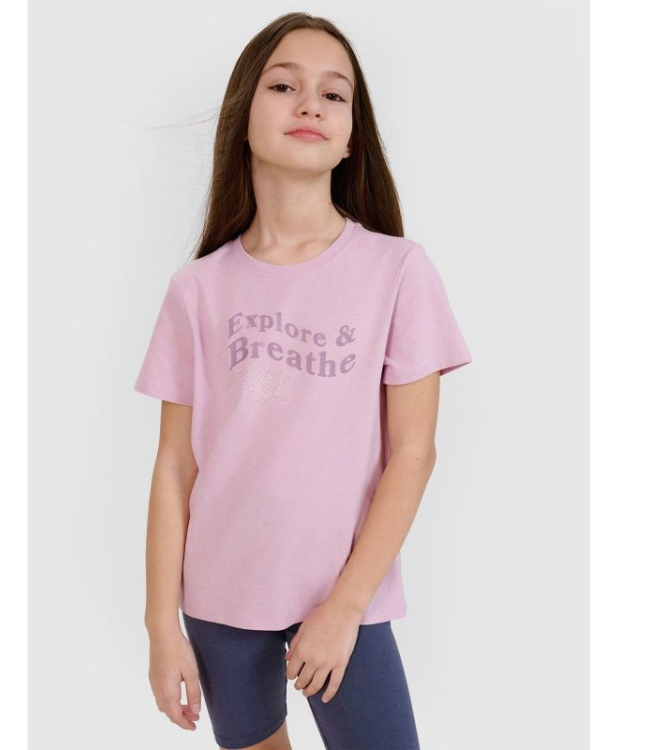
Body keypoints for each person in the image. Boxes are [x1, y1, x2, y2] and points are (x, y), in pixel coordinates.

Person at [133, 12, 473, 750]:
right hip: (218, 600)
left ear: (351, 138)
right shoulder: (197, 289)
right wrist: (162, 625)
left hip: (345, 597)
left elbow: (413, 453)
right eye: (284, 86)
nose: (310, 104)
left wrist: (346, 607)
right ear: (243, 118)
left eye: (334, 94)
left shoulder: (397, 272)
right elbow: (174, 467)